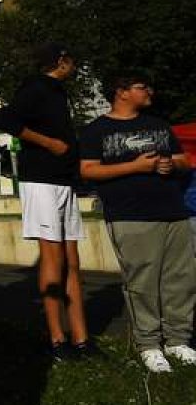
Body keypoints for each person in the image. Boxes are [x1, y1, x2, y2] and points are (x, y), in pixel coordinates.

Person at [79, 75, 195, 373]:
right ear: (122, 92)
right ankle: (149, 345)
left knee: (180, 279)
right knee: (142, 283)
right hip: (130, 216)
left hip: (173, 211)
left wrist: (172, 164)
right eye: (143, 87)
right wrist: (136, 166)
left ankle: (178, 340)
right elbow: (88, 171)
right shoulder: (96, 130)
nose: (150, 91)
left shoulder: (158, 124)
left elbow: (184, 160)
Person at [0, 42, 94, 360]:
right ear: (61, 61)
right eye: (71, 59)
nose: (75, 65)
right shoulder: (35, 86)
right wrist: (49, 143)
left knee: (72, 261)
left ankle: (82, 338)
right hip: (41, 182)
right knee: (53, 260)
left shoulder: (58, 92)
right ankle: (56, 339)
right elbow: (6, 120)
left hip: (63, 182)